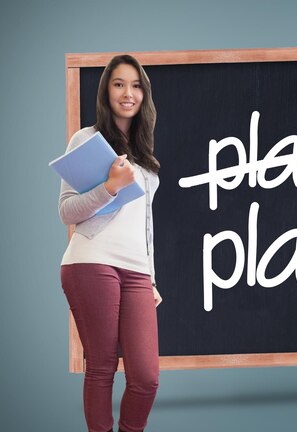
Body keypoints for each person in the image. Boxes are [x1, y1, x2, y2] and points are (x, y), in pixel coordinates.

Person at [59, 54, 162, 432]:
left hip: (136, 270)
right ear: (106, 91)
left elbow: (146, 225)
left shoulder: (146, 159)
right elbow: (67, 212)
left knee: (147, 377)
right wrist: (109, 188)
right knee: (101, 366)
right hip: (91, 260)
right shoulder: (86, 140)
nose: (128, 93)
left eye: (135, 85)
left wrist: (150, 278)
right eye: (119, 84)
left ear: (143, 94)